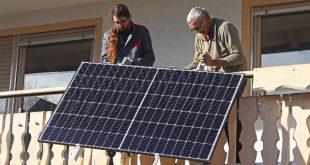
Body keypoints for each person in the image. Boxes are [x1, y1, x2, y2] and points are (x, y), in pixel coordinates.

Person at [186, 7, 247, 72]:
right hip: (215, 77)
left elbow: (239, 57)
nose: (197, 31)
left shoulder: (225, 28)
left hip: (233, 77)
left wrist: (213, 62)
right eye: (194, 30)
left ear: (205, 19)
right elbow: (197, 60)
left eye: (197, 28)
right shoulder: (199, 35)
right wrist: (183, 71)